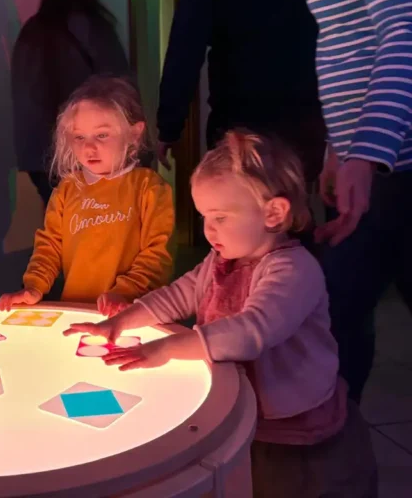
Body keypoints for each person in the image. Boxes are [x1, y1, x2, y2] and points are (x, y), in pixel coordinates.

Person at [65, 131, 378, 498]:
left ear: (273, 213)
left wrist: (168, 348)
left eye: (220, 217)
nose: (208, 229)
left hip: (296, 429)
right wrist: (121, 322)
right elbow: (179, 295)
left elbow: (252, 331)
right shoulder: (221, 259)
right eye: (204, 217)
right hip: (245, 410)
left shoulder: (294, 269)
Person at [307, 0, 412, 403]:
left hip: (396, 166)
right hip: (382, 164)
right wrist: (339, 149)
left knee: (335, 310)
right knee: (338, 309)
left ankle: (329, 430)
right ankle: (333, 428)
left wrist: (367, 151)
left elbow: (405, 28)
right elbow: (357, 46)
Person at [155, 0, 326, 186]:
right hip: (306, 122)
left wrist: (169, 128)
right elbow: (346, 38)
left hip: (239, 128)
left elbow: (184, 54)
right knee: (295, 201)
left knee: (240, 204)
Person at [0, 75, 174, 314]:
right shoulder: (68, 189)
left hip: (133, 314)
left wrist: (123, 292)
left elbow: (157, 255)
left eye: (102, 135)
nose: (89, 147)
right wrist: (34, 287)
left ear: (134, 134)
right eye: (79, 137)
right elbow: (49, 247)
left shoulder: (150, 188)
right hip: (76, 310)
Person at [11, 0, 131, 206]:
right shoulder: (94, 28)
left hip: (38, 153)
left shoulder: (31, 31)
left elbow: (22, 95)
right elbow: (121, 88)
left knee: (59, 216)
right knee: (95, 219)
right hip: (87, 151)